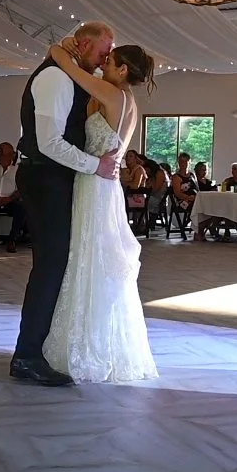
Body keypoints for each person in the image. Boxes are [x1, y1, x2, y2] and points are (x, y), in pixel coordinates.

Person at [33, 33, 159, 385]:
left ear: (121, 69)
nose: (103, 62)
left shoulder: (112, 94)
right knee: (92, 258)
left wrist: (60, 47)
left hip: (94, 183)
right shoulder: (127, 100)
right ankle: (93, 341)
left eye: (109, 58)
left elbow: (69, 68)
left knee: (86, 257)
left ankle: (83, 347)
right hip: (104, 183)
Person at [11, 22, 123, 387]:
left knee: (57, 264)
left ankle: (37, 349)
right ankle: (27, 356)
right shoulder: (56, 79)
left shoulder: (69, 74)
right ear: (83, 44)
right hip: (44, 179)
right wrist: (96, 166)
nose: (106, 59)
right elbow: (47, 142)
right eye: (103, 52)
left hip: (55, 179)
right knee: (49, 266)